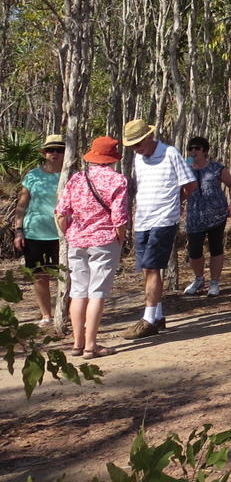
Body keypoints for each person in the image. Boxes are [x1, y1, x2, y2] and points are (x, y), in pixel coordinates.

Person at [53, 137, 129, 358]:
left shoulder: (76, 178)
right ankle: (91, 346)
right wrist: (121, 239)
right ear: (112, 158)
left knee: (78, 292)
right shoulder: (118, 181)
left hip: (76, 240)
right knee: (97, 293)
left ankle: (77, 344)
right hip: (104, 240)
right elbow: (120, 218)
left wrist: (69, 234)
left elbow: (60, 212)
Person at [121, 118, 195, 339]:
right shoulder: (137, 158)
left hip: (164, 220)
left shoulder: (170, 153)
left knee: (153, 268)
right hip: (143, 219)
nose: (136, 148)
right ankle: (158, 315)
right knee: (147, 268)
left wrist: (174, 203)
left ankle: (148, 319)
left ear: (148, 137)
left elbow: (190, 184)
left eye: (138, 143)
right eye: (132, 145)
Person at [12, 134, 65, 326]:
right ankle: (46, 316)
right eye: (51, 150)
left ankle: (64, 313)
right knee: (39, 276)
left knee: (66, 276)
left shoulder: (72, 176)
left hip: (63, 235)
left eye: (60, 150)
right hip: (35, 233)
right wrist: (18, 230)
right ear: (44, 153)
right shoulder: (33, 176)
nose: (55, 154)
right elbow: (22, 205)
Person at [182, 136, 231, 297]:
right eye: (190, 148)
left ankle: (214, 282)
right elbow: (179, 188)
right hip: (194, 217)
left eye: (197, 148)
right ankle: (199, 279)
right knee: (194, 251)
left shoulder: (216, 168)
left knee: (216, 248)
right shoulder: (185, 167)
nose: (193, 151)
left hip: (217, 215)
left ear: (205, 151)